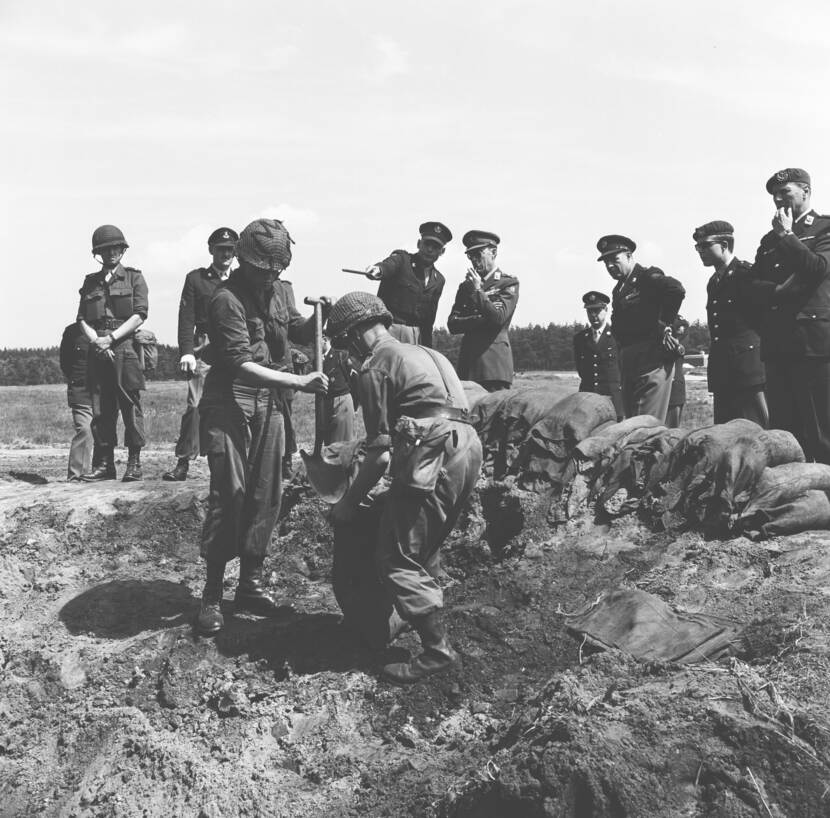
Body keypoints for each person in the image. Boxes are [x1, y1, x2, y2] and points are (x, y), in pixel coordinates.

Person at [327, 292, 483, 683]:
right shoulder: (428, 353)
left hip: (433, 449)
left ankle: (436, 650)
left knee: (395, 557)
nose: (346, 354)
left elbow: (379, 453)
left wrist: (348, 503)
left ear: (356, 334)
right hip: (467, 446)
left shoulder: (375, 365)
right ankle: (416, 617)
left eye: (345, 344)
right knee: (421, 543)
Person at [196, 218, 329, 636]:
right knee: (230, 495)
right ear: (244, 261)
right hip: (229, 400)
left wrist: (318, 319)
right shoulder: (225, 299)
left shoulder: (281, 290)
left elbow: (292, 329)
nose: (271, 275)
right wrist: (297, 382)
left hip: (270, 403)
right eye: (264, 268)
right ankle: (213, 594)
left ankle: (250, 586)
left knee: (266, 493)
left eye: (278, 268)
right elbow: (239, 361)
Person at [751, 168, 830, 462]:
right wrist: (779, 290)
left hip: (812, 347)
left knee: (820, 432)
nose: (778, 199)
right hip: (778, 346)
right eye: (775, 195)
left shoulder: (823, 229)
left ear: (806, 192)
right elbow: (753, 287)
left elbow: (817, 268)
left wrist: (786, 234)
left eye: (786, 192)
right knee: (784, 432)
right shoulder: (768, 241)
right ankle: (793, 501)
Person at [163, 227, 238, 482]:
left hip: (236, 344)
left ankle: (241, 461)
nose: (226, 254)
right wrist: (186, 352)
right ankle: (184, 460)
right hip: (205, 346)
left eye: (230, 250)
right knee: (195, 405)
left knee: (241, 404)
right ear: (211, 250)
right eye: (221, 250)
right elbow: (186, 318)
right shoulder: (196, 279)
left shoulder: (240, 280)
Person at [77, 225, 148, 482]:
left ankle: (134, 463)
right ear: (98, 253)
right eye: (106, 250)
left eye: (116, 248)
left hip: (124, 348)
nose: (112, 253)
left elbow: (139, 315)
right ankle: (105, 465)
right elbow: (82, 318)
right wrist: (97, 341)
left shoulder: (134, 278)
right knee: (101, 409)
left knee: (130, 407)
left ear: (123, 250)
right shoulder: (90, 282)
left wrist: (111, 339)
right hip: (98, 349)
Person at [597, 234, 685, 421]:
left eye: (615, 260)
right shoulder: (619, 289)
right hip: (630, 365)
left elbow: (676, 290)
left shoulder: (647, 277)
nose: (610, 266)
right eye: (606, 263)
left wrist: (664, 324)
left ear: (629, 256)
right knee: (633, 422)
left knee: (644, 427)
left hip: (650, 363)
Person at [693, 220, 767, 426]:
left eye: (706, 246)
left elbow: (763, 320)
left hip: (748, 370)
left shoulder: (746, 275)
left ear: (724, 245)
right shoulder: (714, 282)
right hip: (724, 371)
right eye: (698, 247)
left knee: (756, 432)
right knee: (726, 436)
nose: (700, 251)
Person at [447, 230, 519, 392]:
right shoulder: (466, 287)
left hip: (494, 368)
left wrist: (478, 291)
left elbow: (498, 318)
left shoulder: (508, 283)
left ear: (493, 252)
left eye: (478, 255)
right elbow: (452, 324)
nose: (474, 261)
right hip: (468, 366)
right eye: (470, 256)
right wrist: (481, 319)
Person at [365, 221, 452, 347]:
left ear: (442, 251)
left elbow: (428, 321)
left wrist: (427, 349)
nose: (429, 249)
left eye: (435, 247)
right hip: (389, 331)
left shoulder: (438, 280)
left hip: (415, 337)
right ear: (418, 244)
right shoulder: (402, 260)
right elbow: (388, 266)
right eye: (427, 244)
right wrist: (378, 270)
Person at [572, 291, 623, 420]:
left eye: (597, 311)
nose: (593, 315)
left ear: (606, 310)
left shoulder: (618, 336)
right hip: (586, 400)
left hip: (613, 401)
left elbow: (624, 368)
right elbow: (581, 369)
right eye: (590, 311)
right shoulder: (580, 339)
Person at [59, 323, 96, 481]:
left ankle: (99, 474)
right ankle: (77, 477)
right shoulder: (72, 332)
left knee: (103, 433)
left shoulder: (109, 330)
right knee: (85, 430)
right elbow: (66, 363)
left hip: (104, 389)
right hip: (80, 389)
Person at [322, 336, 357, 444]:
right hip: (325, 403)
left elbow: (355, 381)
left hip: (342, 400)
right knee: (329, 441)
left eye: (316, 340)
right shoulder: (317, 361)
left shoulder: (341, 355)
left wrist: (355, 406)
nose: (313, 344)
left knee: (343, 442)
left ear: (324, 339)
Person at [665, 315, 689, 429]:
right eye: (679, 326)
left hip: (678, 388)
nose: (682, 329)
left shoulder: (680, 343)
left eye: (684, 326)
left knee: (675, 426)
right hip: (671, 388)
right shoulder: (668, 344)